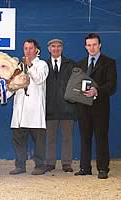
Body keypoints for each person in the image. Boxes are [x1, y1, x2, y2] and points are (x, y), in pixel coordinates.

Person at [74, 33, 117, 179]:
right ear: (85, 47)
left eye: (94, 44)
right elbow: (76, 84)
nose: (91, 47)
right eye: (89, 45)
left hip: (100, 107)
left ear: (99, 45)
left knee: (101, 137)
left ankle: (103, 168)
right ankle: (85, 167)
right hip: (83, 107)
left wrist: (97, 90)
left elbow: (112, 86)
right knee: (85, 137)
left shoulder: (109, 62)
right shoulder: (79, 64)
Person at [9, 39, 49, 175]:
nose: (27, 51)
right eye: (25, 48)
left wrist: (30, 66)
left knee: (38, 141)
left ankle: (40, 165)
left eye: (30, 48)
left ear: (36, 50)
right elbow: (12, 85)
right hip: (20, 110)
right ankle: (20, 165)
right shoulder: (18, 66)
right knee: (19, 139)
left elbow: (39, 79)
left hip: (35, 110)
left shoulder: (42, 64)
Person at [45, 39, 77, 173]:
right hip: (50, 107)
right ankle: (50, 163)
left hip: (67, 108)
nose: (56, 49)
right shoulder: (43, 65)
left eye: (58, 46)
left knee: (67, 137)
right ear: (49, 49)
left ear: (62, 48)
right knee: (50, 137)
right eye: (53, 47)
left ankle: (66, 163)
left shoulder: (71, 64)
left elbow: (76, 84)